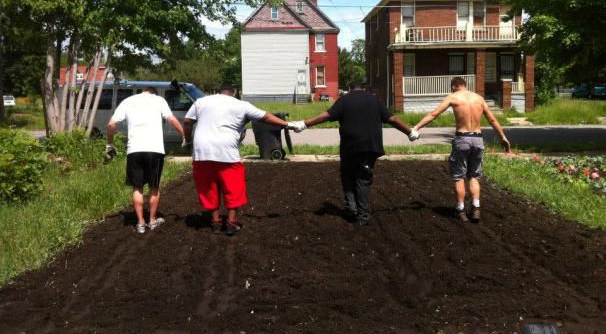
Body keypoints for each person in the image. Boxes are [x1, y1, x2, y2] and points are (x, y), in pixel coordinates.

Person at [288, 81, 419, 225]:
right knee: (363, 178)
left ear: (350, 89)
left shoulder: (344, 100)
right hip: (370, 147)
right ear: (363, 88)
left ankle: (352, 208)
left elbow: (326, 116)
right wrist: (410, 132)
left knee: (347, 175)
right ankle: (362, 215)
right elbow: (392, 119)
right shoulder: (374, 100)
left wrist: (304, 124)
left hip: (350, 147)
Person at [182, 83, 288, 236]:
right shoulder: (241, 105)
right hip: (227, 152)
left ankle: (216, 222)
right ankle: (231, 224)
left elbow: (187, 122)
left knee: (208, 187)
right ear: (233, 93)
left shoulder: (201, 102)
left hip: (202, 152)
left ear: (218, 92)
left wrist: (187, 140)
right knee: (233, 187)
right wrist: (287, 124)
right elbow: (265, 117)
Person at [412, 76, 511, 223]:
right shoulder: (479, 98)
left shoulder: (453, 97)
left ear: (454, 87)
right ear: (465, 85)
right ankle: (476, 208)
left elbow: (434, 114)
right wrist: (503, 137)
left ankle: (460, 210)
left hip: (462, 139)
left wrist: (416, 127)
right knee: (474, 176)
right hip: (478, 140)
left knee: (459, 176)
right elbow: (492, 119)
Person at [106, 87, 184, 234]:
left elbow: (111, 124)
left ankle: (140, 223)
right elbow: (172, 120)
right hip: (155, 150)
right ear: (154, 93)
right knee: (154, 186)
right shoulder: (159, 100)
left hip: (134, 150)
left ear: (143, 91)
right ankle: (152, 220)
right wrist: (185, 136)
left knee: (137, 187)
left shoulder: (127, 101)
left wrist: (109, 144)